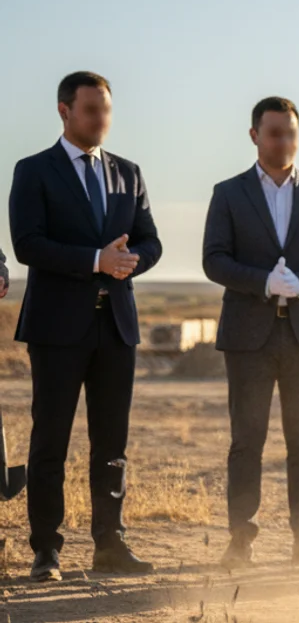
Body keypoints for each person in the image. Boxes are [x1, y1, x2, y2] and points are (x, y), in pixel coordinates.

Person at [9, 71, 162, 581]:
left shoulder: (128, 172)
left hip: (116, 326)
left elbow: (150, 242)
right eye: (91, 109)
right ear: (64, 111)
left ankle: (110, 545)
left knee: (112, 442)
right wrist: (96, 259)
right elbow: (28, 245)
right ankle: (46, 550)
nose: (102, 119)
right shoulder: (33, 170)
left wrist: (126, 262)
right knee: (50, 439)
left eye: (107, 110)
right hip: (56, 327)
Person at [202, 97, 299, 569]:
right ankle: (240, 542)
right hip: (248, 335)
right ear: (254, 136)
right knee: (247, 442)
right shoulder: (228, 193)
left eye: (290, 132)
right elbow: (214, 258)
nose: (283, 141)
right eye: (274, 133)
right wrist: (263, 282)